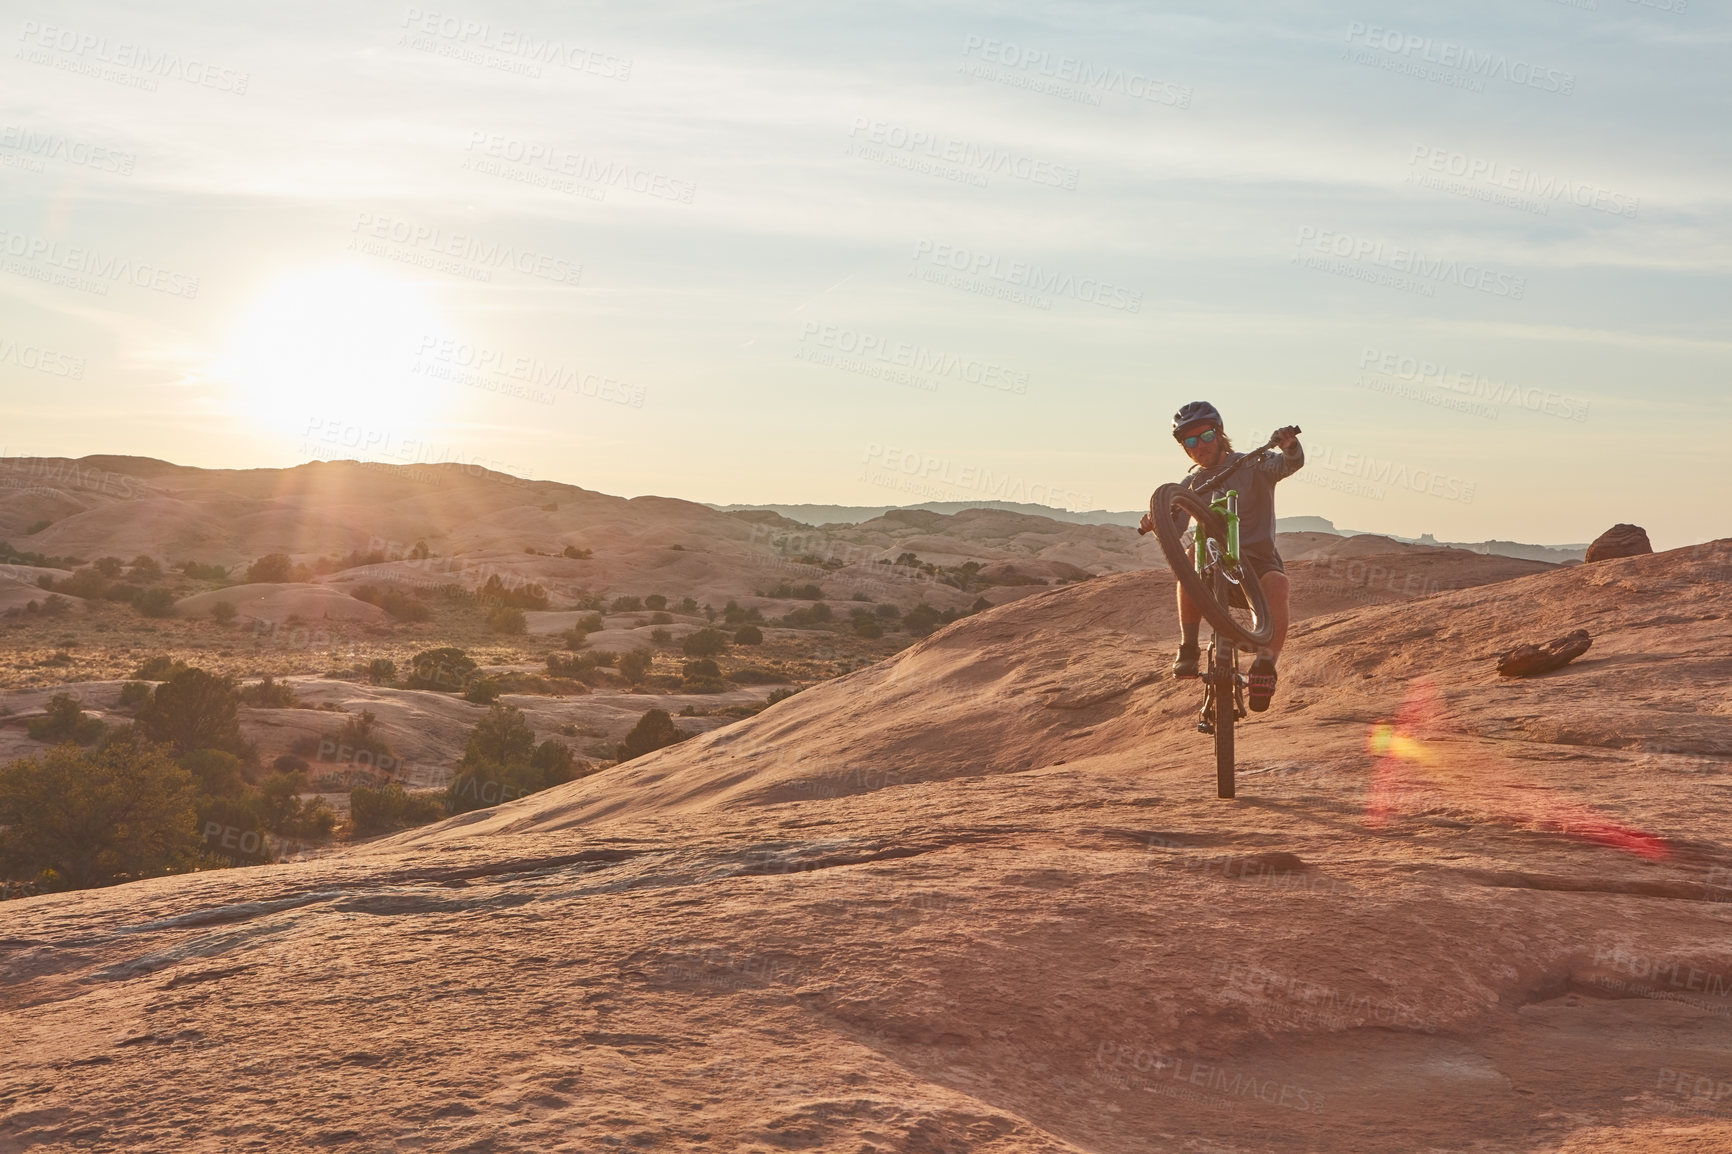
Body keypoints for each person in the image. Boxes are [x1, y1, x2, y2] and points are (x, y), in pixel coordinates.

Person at [1138, 401, 1303, 712]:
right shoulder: (1191, 484)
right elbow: (1174, 530)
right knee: (1188, 553)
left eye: (1206, 436)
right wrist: (1156, 522)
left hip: (1258, 565)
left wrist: (1290, 446)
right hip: (1212, 566)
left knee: (1279, 584)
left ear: (1220, 433)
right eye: (1190, 441)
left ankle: (1265, 668)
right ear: (1184, 448)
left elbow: (1289, 465)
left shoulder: (1253, 464)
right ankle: (1188, 647)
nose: (1199, 446)